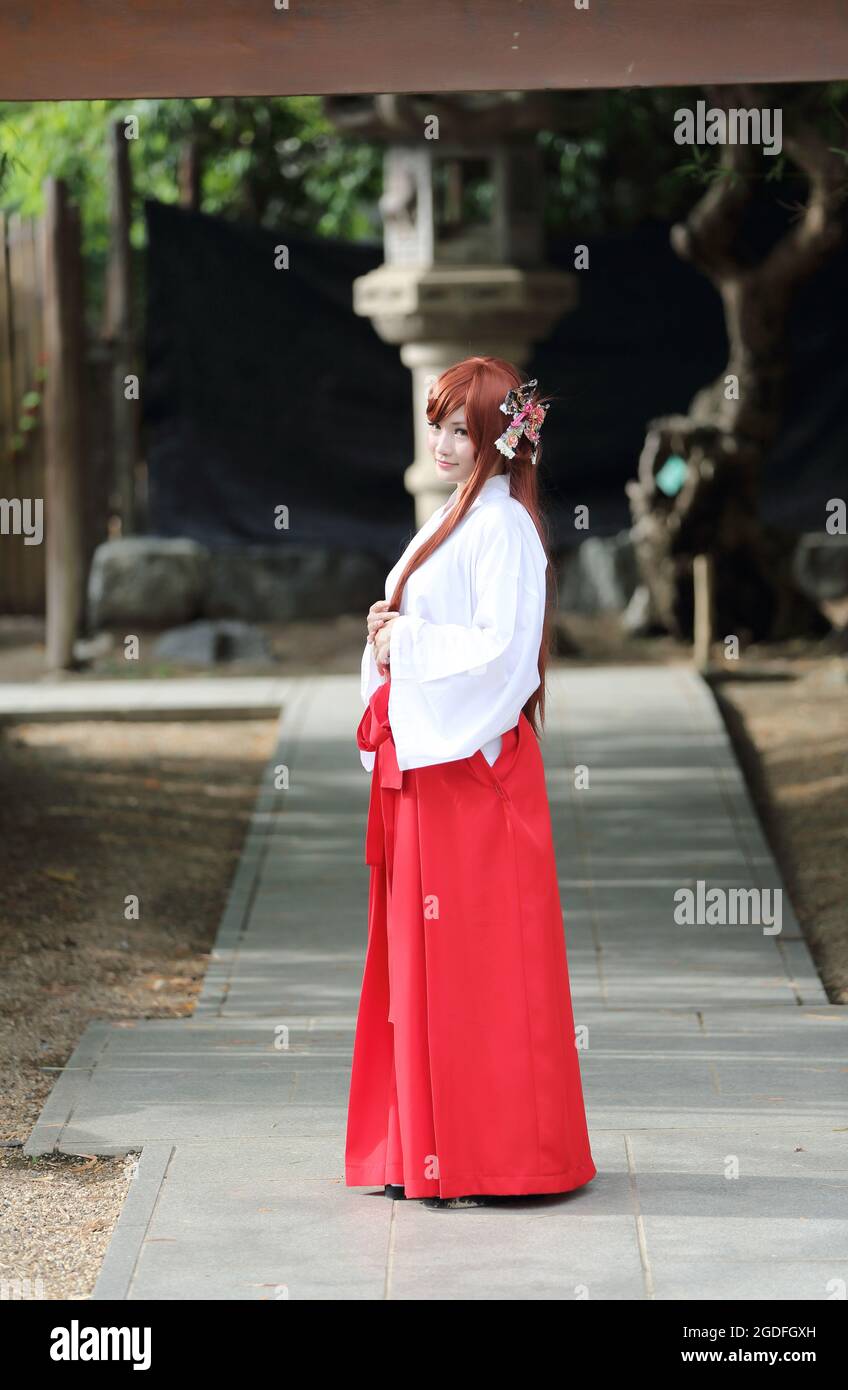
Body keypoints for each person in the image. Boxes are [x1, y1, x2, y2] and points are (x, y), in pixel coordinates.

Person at [344, 355, 596, 1211]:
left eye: (464, 429)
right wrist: (389, 636)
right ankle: (427, 1150)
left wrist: (402, 643)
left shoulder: (503, 529)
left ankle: (504, 1158)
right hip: (435, 768)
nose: (445, 443)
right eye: (440, 423)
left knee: (486, 973)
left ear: (499, 439)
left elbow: (504, 655)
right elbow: (432, 631)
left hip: (473, 777)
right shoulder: (459, 516)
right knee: (428, 970)